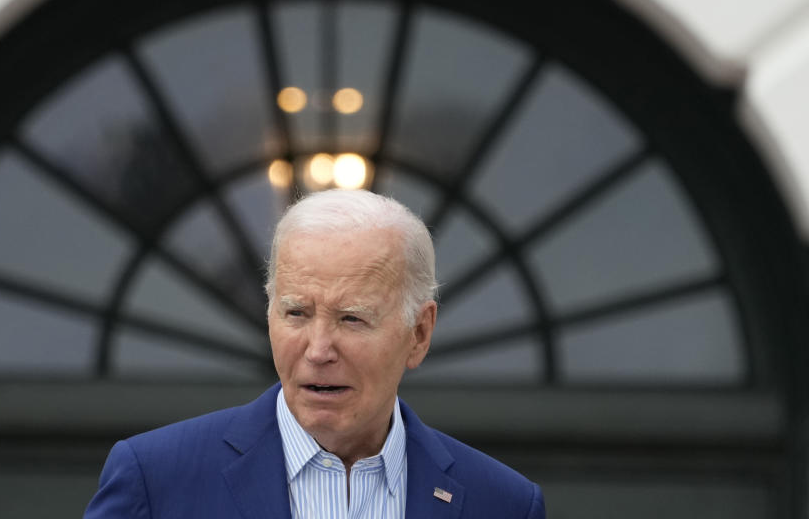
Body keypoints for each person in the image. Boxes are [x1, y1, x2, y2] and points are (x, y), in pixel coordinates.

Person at [84, 189, 545, 518]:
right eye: (297, 313)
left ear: (419, 334)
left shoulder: (502, 504)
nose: (319, 350)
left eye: (352, 319)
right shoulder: (156, 479)